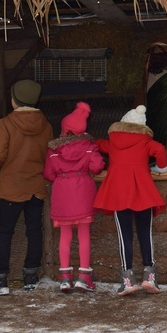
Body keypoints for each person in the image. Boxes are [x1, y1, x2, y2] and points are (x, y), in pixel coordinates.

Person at [0, 80, 53, 295]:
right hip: (36, 186)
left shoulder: (5, 123)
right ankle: (30, 276)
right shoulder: (46, 125)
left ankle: (0, 279)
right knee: (34, 230)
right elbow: (48, 155)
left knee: (5, 232)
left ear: (15, 100)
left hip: (12, 185)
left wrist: (1, 168)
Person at [93, 105, 167, 296]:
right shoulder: (146, 141)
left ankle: (127, 280)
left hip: (119, 193)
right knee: (145, 232)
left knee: (124, 236)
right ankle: (149, 276)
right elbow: (160, 150)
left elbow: (98, 144)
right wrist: (162, 168)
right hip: (142, 193)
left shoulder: (113, 141)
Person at [43, 102, 105, 292]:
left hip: (62, 193)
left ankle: (64, 277)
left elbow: (48, 173)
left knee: (65, 235)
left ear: (63, 129)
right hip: (83, 192)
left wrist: (62, 177)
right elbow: (96, 167)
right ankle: (84, 276)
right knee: (84, 235)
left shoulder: (53, 150)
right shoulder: (89, 147)